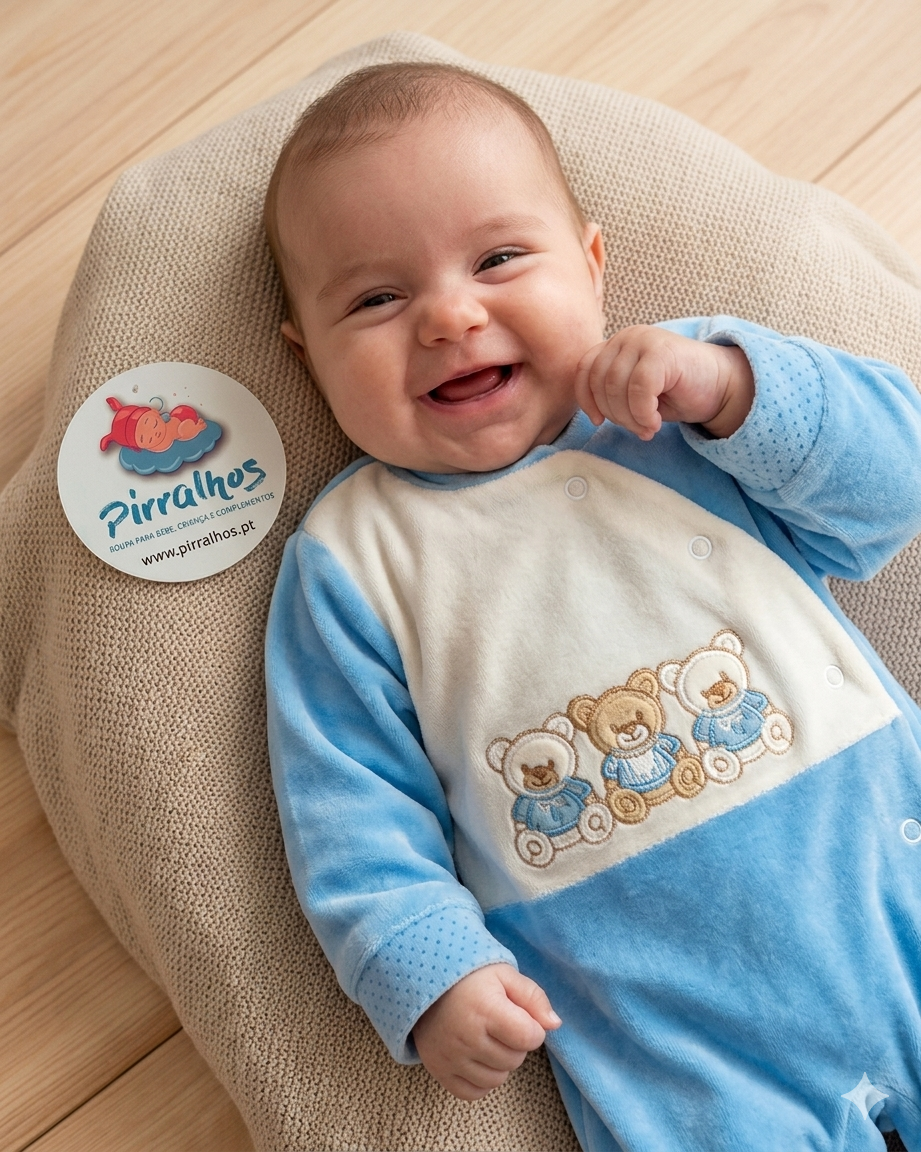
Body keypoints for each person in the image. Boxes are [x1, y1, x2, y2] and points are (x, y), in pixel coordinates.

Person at [264, 61, 921, 1151]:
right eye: (376, 300)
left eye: (500, 259)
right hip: (674, 1030)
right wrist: (428, 972)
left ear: (594, 267)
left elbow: (894, 485)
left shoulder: (683, 404)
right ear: (307, 358)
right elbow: (344, 806)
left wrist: (734, 389)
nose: (451, 315)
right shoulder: (353, 559)